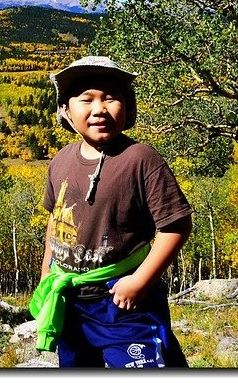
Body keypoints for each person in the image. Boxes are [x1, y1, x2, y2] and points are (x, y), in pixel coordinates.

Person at [28, 55, 192, 368]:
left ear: (128, 108)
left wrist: (139, 282)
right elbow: (57, 219)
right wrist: (47, 271)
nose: (99, 108)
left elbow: (176, 225)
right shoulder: (61, 161)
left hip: (123, 301)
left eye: (111, 98)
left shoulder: (140, 159)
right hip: (72, 303)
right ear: (66, 110)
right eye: (86, 99)